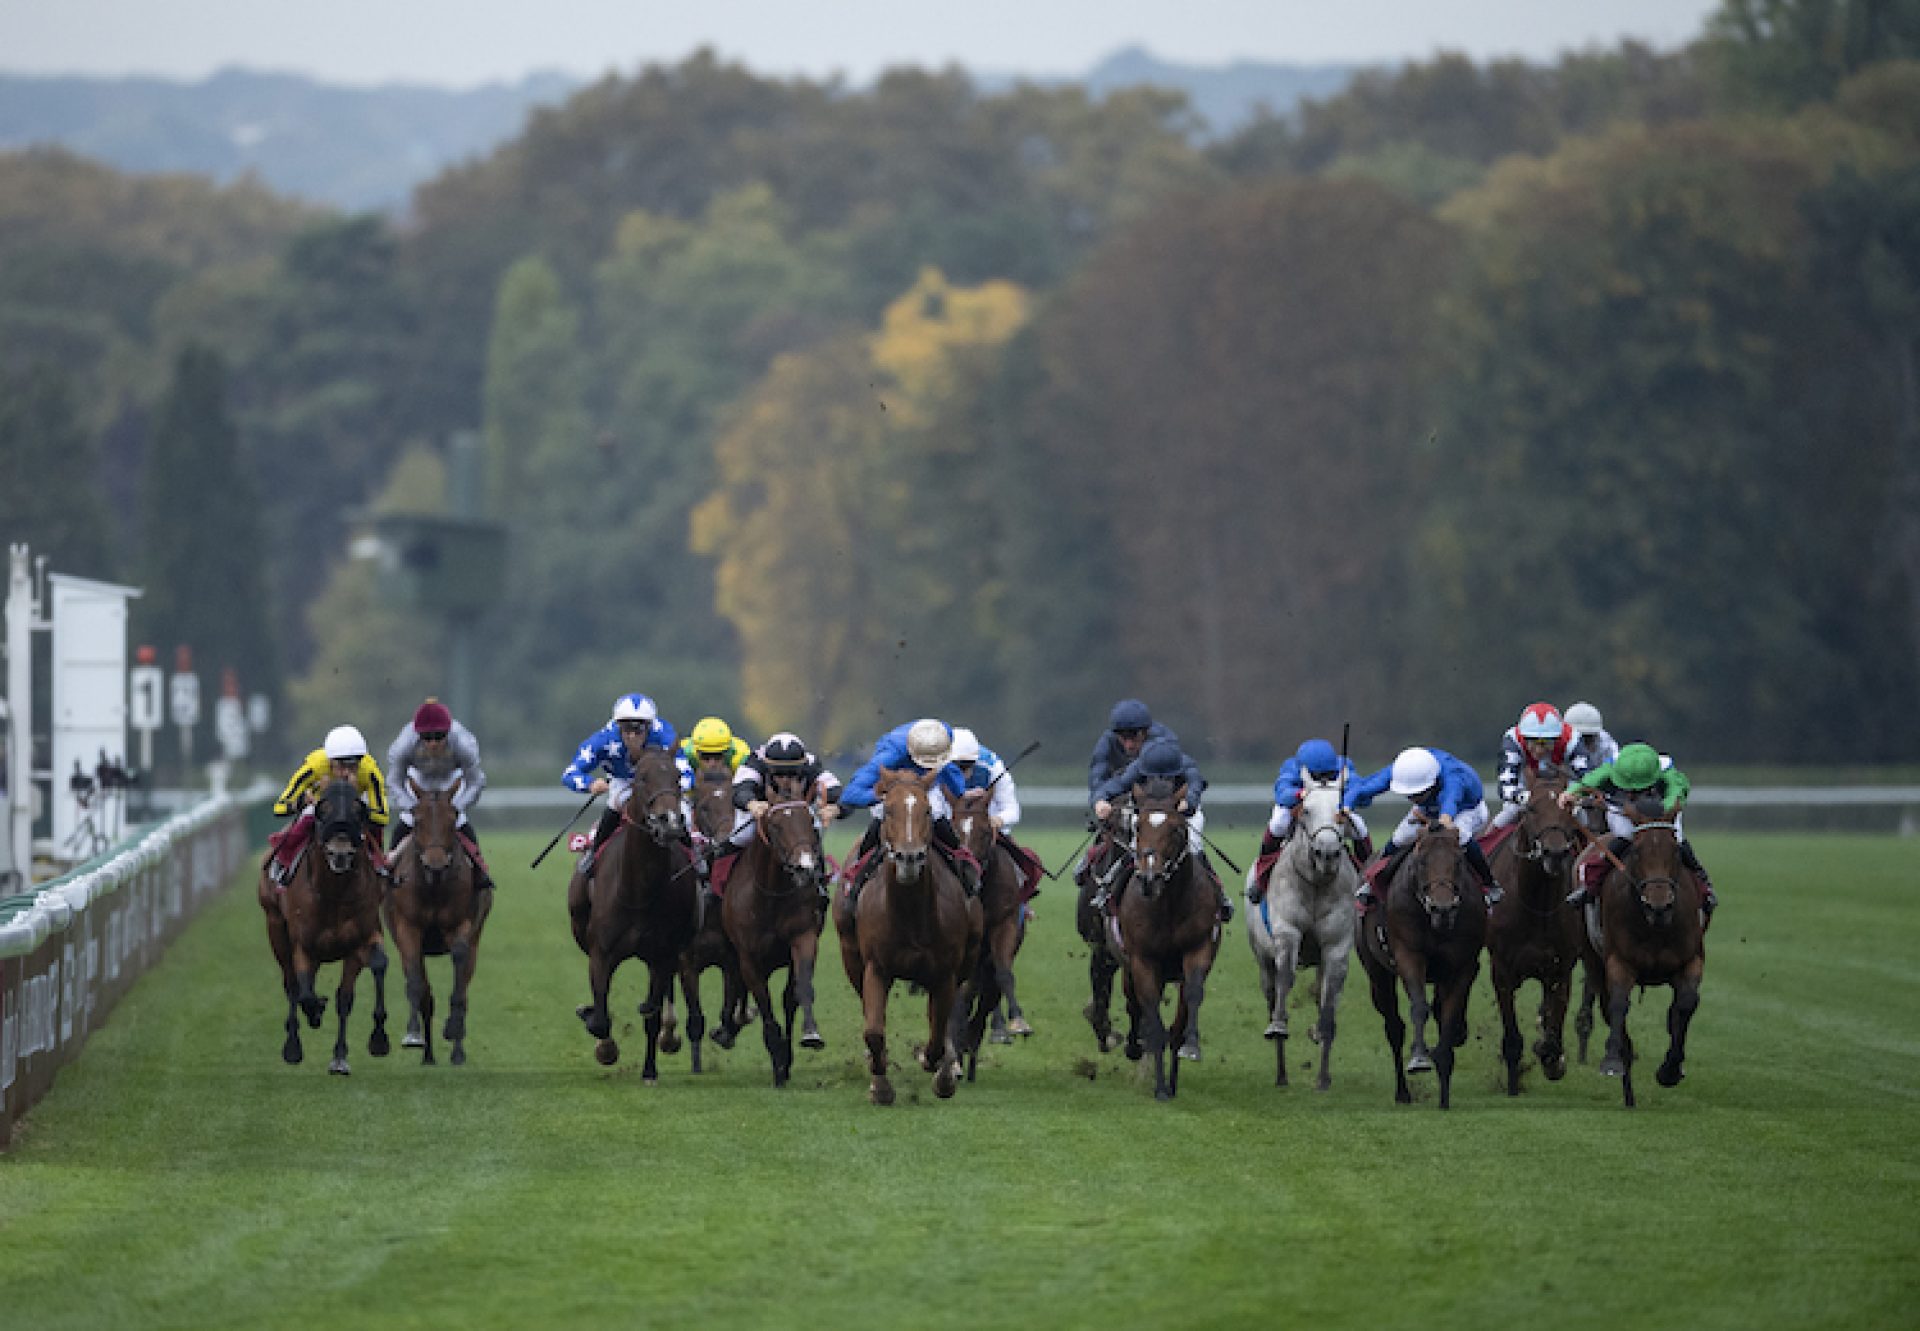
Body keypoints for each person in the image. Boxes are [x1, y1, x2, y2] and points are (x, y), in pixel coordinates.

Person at [1558, 742, 1716, 924]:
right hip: (1623, 810)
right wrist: (1570, 794)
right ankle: (1591, 884)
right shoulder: (1612, 766)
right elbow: (1587, 783)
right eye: (1628, 788)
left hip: (1662, 811)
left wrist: (1659, 813)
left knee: (1677, 840)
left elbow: (1676, 794)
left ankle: (1703, 885)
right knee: (1626, 836)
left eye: (1637, 789)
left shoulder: (1667, 770)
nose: (1632, 792)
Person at [1091, 735, 1232, 922]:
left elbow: (1196, 786)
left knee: (1195, 847)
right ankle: (1109, 890)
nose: (1158, 779)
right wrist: (1101, 800)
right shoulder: (1139, 766)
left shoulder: (1187, 766)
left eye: (1165, 775)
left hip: (1182, 814)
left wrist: (1188, 801)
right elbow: (1115, 785)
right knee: (1135, 847)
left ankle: (1219, 895)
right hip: (1148, 815)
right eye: (1153, 775)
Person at [1346, 746, 1501, 912]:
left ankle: (1489, 884)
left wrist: (1445, 818)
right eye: (1409, 795)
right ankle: (1373, 882)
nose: (1411, 798)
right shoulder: (1406, 769)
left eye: (1416, 794)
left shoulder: (1453, 777)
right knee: (1399, 838)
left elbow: (1451, 801)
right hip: (1429, 807)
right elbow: (1368, 786)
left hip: (1467, 808)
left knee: (1461, 836)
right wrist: (1346, 805)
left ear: (1432, 783)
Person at [838, 718, 974, 902]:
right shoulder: (890, 755)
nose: (928, 767)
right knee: (881, 815)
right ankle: (858, 875)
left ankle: (961, 866)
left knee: (937, 813)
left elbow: (949, 771)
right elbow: (850, 795)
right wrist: (881, 797)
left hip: (923, 785)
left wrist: (961, 793)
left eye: (932, 763)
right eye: (925, 763)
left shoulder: (943, 735)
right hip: (895, 784)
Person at [562, 693, 685, 877]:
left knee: (682, 812)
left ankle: (694, 855)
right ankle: (594, 852)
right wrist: (590, 784)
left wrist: (676, 788)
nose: (632, 735)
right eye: (626, 728)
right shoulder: (603, 740)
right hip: (623, 782)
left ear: (649, 726)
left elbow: (685, 770)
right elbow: (569, 774)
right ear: (617, 725)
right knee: (615, 802)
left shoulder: (664, 735)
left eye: (638, 729)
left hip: (657, 785)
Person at [716, 731, 843, 906]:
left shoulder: (811, 764)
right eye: (779, 774)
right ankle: (717, 879)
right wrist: (752, 804)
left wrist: (836, 808)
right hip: (762, 808)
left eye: (792, 774)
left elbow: (836, 790)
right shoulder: (755, 761)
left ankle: (819, 884)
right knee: (742, 835)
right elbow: (740, 790)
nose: (785, 781)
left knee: (812, 834)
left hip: (798, 811)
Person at [384, 697, 493, 892]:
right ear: (418, 735)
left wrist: (457, 808)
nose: (433, 743)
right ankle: (389, 868)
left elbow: (476, 781)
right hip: (419, 779)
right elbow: (394, 781)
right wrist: (411, 806)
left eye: (439, 736)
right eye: (427, 737)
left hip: (450, 780)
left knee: (460, 824)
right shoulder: (404, 745)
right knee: (406, 822)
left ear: (448, 733)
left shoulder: (463, 744)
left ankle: (479, 870)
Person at [1248, 738, 1370, 903]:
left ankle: (1369, 878)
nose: (1324, 779)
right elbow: (1282, 792)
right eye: (1318, 776)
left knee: (1359, 827)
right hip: (1299, 807)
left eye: (1329, 775)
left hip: (1334, 809)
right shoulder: (1291, 768)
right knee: (1278, 823)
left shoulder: (1344, 766)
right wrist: (1299, 795)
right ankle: (1262, 875)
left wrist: (1348, 798)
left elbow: (1361, 792)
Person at [267, 724, 390, 885]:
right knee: (303, 824)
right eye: (341, 766)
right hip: (321, 807)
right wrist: (303, 801)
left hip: (354, 808)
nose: (346, 773)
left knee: (375, 830)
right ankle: (283, 862)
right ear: (330, 761)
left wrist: (358, 805)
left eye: (353, 766)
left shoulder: (370, 772)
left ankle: (377, 864)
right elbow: (281, 807)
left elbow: (382, 817)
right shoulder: (314, 766)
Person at [1489, 702, 1573, 831]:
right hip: (1525, 791)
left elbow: (1585, 777)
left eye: (1547, 742)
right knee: (1508, 813)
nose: (1539, 750)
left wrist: (1571, 793)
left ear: (1558, 737)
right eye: (1533, 741)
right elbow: (1505, 786)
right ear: (1523, 737)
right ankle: (1486, 846)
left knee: (1582, 815)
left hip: (1563, 793)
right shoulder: (1512, 739)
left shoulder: (1572, 738)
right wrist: (1524, 796)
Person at [1563, 701, 1619, 778]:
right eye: (1578, 739)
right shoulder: (1557, 743)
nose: (1581, 745)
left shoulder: (1606, 744)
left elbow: (1616, 766)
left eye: (1588, 737)